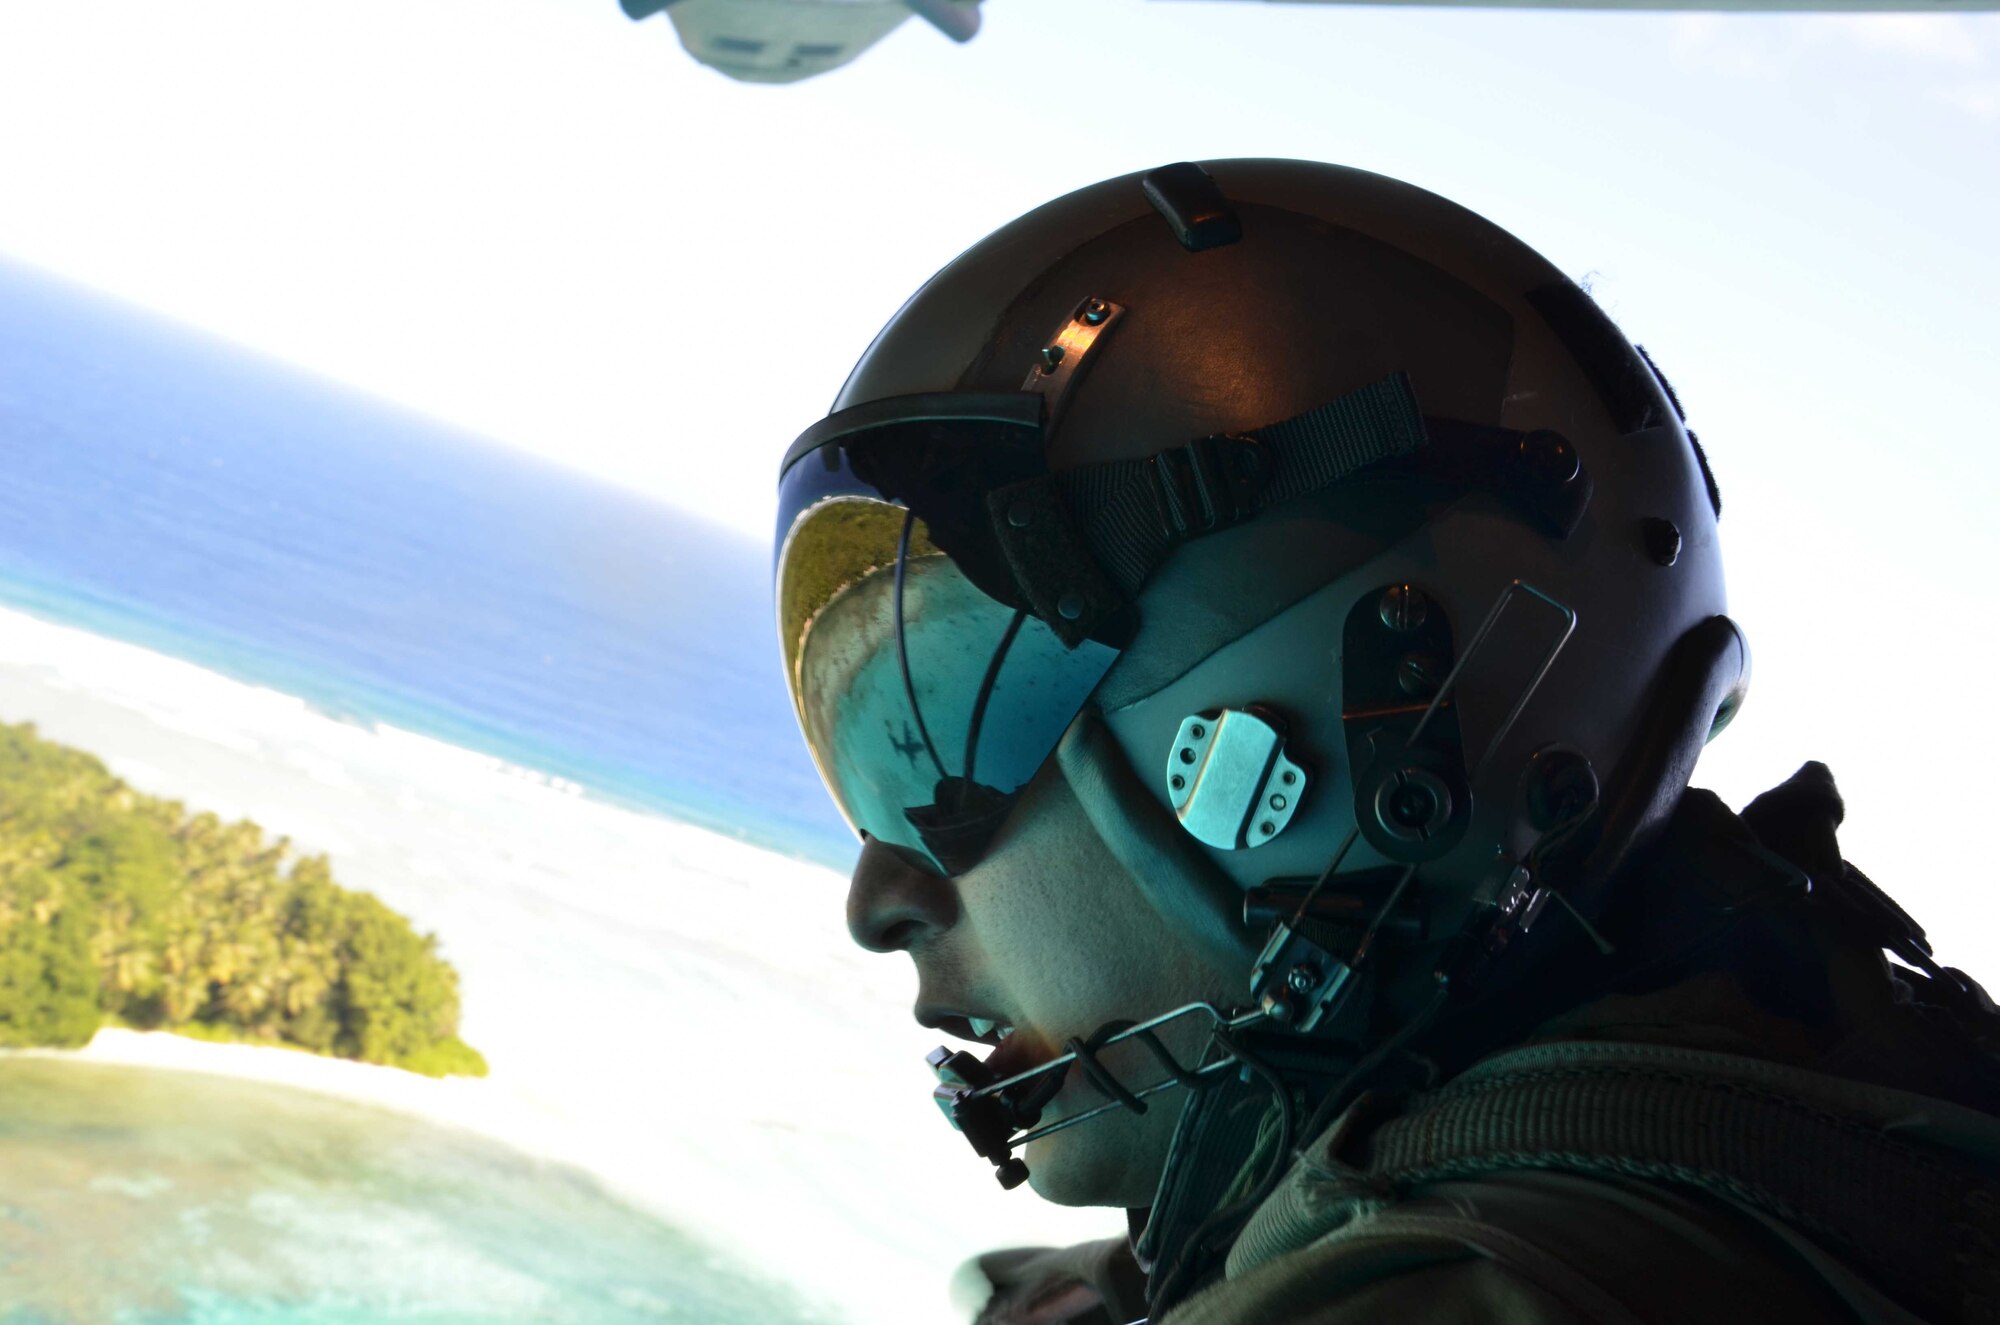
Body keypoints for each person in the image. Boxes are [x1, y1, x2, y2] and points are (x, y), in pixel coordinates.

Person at [771, 159, 2000, 1324]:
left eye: (943, 735)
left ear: (1333, 751)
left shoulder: (1474, 1282)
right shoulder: (1774, 1069)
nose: (881, 898)